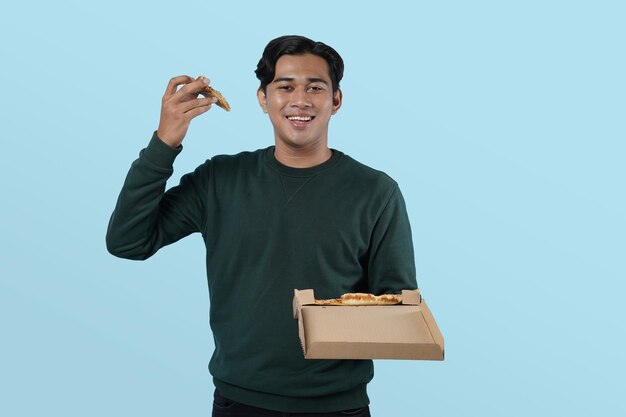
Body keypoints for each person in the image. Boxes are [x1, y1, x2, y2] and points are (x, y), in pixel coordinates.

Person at [106, 35, 417, 417]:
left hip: (339, 407)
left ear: (336, 100)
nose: (300, 100)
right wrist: (165, 143)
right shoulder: (219, 179)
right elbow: (128, 242)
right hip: (240, 402)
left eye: (315, 87)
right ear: (263, 99)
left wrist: (316, 317)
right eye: (285, 86)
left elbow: (398, 309)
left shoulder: (376, 192)